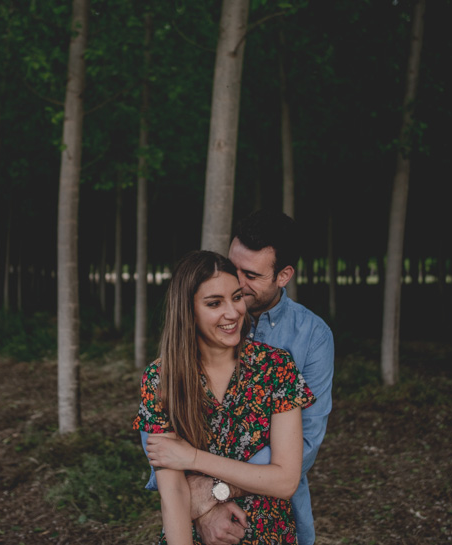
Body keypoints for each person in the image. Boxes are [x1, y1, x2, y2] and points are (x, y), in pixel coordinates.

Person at [141, 210, 335, 545]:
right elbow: (164, 460)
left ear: (283, 275)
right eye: (234, 269)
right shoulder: (163, 375)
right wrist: (200, 507)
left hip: (265, 517)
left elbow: (301, 449)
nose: (238, 289)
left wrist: (213, 490)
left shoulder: (297, 349)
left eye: (251, 275)